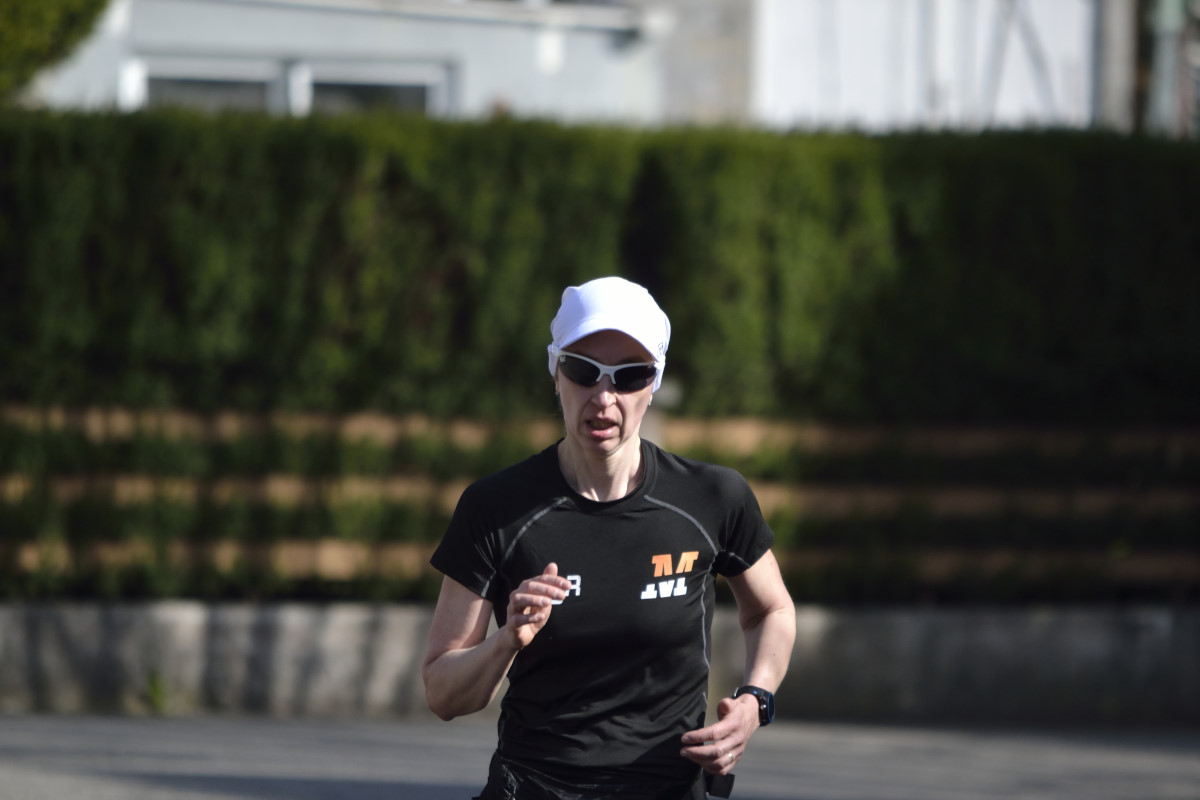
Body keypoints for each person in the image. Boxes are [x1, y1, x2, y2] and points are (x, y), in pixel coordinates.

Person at [422, 276, 796, 800]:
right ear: (556, 373)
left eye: (629, 376)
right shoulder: (496, 508)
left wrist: (756, 701)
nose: (603, 397)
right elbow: (443, 694)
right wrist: (505, 639)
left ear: (654, 384)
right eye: (583, 371)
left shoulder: (712, 497)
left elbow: (771, 610)